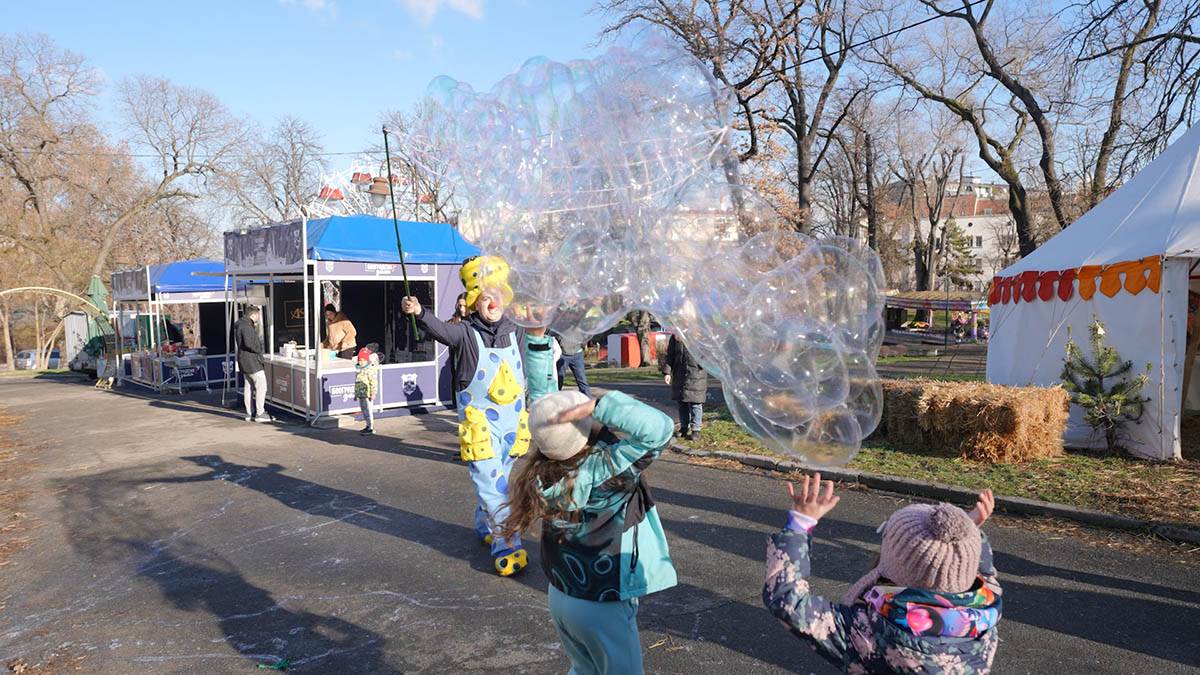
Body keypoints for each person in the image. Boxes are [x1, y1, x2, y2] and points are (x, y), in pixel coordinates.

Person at [400, 255, 556, 576]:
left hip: (513, 425)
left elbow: (538, 352)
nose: (492, 302)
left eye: (497, 295)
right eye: (485, 298)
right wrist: (420, 313)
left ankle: (485, 522)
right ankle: (506, 542)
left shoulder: (516, 331)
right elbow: (442, 330)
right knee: (491, 484)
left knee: (496, 483)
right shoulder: (465, 333)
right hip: (481, 428)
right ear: (473, 303)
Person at [503, 389, 677, 675]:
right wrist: (601, 406)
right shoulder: (606, 469)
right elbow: (659, 429)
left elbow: (544, 407)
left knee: (584, 669)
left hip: (561, 595)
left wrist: (538, 348)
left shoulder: (544, 473)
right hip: (601, 602)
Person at [764, 475, 1002, 673]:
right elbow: (982, 573)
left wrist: (801, 522)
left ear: (893, 563)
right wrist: (967, 535)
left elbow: (787, 600)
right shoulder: (986, 614)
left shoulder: (867, 631)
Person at [661, 333, 707, 440]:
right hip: (679, 374)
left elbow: (707, 354)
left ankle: (696, 429)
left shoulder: (700, 334)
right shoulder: (675, 336)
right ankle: (684, 428)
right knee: (682, 402)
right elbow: (670, 355)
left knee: (695, 403)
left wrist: (702, 363)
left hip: (696, 374)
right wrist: (667, 372)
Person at [233, 305, 268, 423]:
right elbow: (249, 343)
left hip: (243, 360)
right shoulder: (246, 326)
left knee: (248, 386)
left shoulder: (240, 325)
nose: (259, 317)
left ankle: (249, 412)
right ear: (253, 315)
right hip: (252, 361)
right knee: (261, 386)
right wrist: (259, 349)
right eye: (258, 314)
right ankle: (260, 413)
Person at [354, 347, 379, 435]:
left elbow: (373, 382)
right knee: (364, 410)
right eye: (359, 360)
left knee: (369, 410)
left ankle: (371, 427)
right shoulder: (358, 370)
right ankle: (367, 425)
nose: (360, 362)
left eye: (362, 360)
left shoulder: (369, 370)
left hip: (368, 394)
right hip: (361, 394)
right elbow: (357, 382)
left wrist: (373, 393)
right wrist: (355, 394)